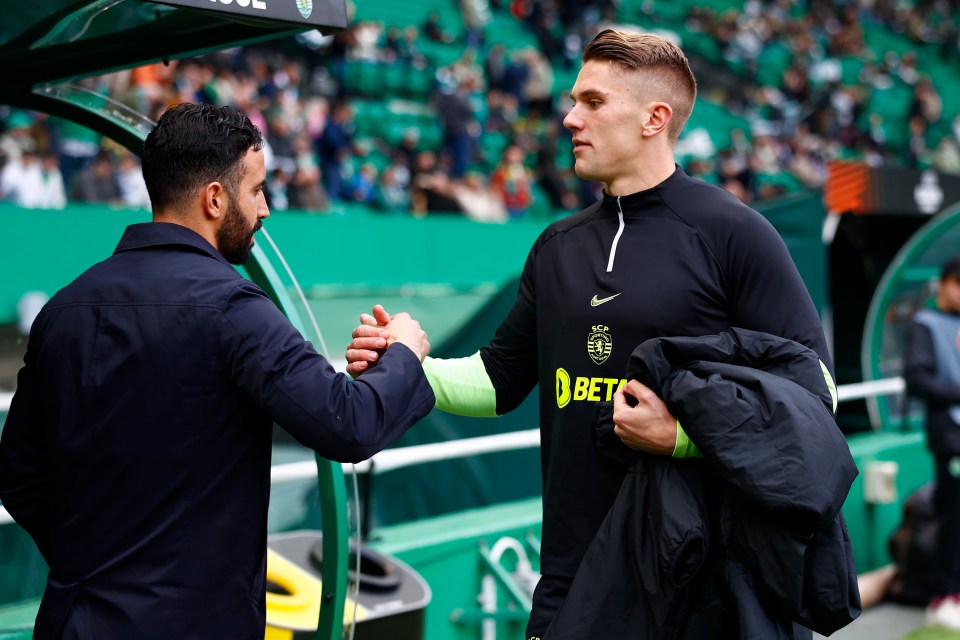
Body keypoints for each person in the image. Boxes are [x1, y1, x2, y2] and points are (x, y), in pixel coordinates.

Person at [345, 29, 855, 638]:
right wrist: (405, 362)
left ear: (653, 118)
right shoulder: (557, 246)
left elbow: (815, 393)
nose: (568, 118)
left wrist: (685, 437)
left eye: (592, 102)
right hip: (571, 576)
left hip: (700, 587)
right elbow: (499, 379)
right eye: (573, 100)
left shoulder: (733, 233)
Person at [0, 102, 436, 639]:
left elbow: (18, 474)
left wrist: (90, 562)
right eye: (256, 191)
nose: (266, 210)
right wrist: (404, 353)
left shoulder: (63, 309)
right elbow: (347, 423)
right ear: (214, 198)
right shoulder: (234, 308)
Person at [904, 256, 960, 630]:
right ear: (943, 284)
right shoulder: (925, 325)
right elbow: (917, 379)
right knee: (954, 518)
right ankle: (944, 597)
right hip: (950, 436)